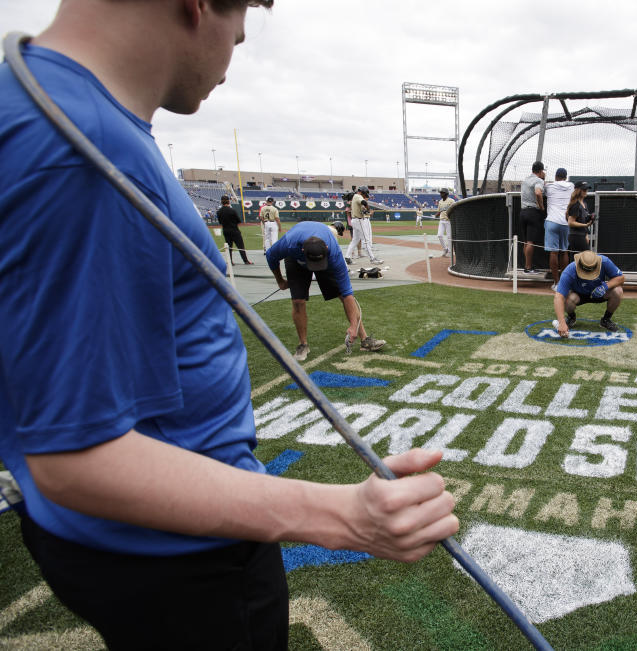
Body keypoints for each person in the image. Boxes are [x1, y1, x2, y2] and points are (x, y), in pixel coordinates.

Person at [0, 3, 458, 649]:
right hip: (177, 553)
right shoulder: (81, 149)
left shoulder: (46, 105)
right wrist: (341, 514)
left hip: (125, 540)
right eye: (238, 24)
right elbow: (77, 456)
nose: (236, 45)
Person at [266, 221, 386, 361]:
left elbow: (347, 293)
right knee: (298, 301)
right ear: (303, 250)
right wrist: (280, 281)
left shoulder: (334, 253)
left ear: (327, 248)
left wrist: (353, 326)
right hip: (296, 261)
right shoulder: (289, 244)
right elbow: (270, 256)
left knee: (342, 295)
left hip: (327, 260)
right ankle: (303, 344)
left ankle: (364, 339)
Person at [554, 250, 624, 335]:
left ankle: (606, 320)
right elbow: (558, 297)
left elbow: (621, 278)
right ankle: (571, 318)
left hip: (600, 293)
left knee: (618, 291)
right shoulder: (569, 271)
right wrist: (561, 323)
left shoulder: (605, 261)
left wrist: (605, 286)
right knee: (568, 298)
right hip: (578, 295)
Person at [544, 167, 575, 290]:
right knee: (564, 251)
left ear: (556, 176)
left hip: (552, 221)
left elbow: (542, 190)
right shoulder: (571, 186)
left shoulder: (549, 186)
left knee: (553, 252)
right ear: (565, 177)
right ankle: (564, 283)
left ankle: (557, 284)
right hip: (566, 222)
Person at [519, 161, 546, 273]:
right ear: (540, 171)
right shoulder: (538, 180)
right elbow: (538, 193)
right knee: (530, 241)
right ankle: (528, 268)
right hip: (532, 213)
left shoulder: (525, 180)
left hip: (523, 212)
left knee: (526, 241)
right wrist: (542, 207)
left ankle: (527, 266)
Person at [345, 186, 382, 264]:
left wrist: (366, 211)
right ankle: (372, 259)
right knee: (366, 240)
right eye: (365, 195)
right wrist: (368, 209)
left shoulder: (355, 197)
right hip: (359, 221)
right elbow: (364, 202)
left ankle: (347, 257)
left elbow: (361, 207)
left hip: (354, 220)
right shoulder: (358, 196)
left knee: (355, 240)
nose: (365, 197)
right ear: (362, 192)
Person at [217, 194, 253, 265]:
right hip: (234, 230)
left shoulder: (219, 211)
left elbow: (220, 222)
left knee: (229, 247)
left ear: (221, 202)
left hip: (226, 231)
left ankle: (230, 262)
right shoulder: (232, 210)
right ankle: (245, 261)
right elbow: (239, 220)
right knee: (240, 246)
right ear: (228, 201)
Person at [566, 181, 593, 254]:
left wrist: (586, 234)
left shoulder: (584, 204)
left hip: (582, 235)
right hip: (576, 236)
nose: (586, 191)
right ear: (578, 191)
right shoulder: (576, 204)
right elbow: (571, 222)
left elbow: (584, 220)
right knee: (583, 259)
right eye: (584, 190)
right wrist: (585, 225)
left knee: (583, 259)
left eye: (587, 189)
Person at [436, 188, 455, 257]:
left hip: (449, 221)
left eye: (442, 193)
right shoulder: (440, 202)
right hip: (442, 220)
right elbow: (439, 211)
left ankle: (450, 252)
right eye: (440, 193)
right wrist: (435, 215)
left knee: (449, 237)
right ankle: (445, 249)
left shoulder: (451, 201)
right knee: (439, 235)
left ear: (446, 194)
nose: (441, 194)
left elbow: (454, 209)